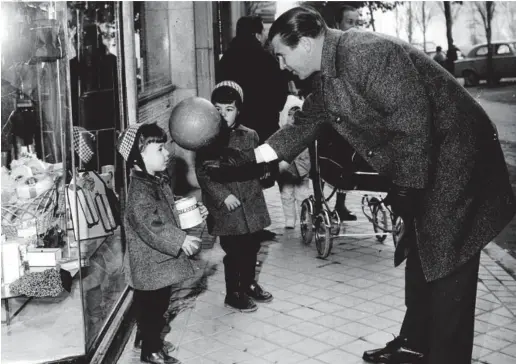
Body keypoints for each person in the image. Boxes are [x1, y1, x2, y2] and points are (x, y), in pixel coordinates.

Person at [206, 7, 516, 364]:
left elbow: (411, 119)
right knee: (421, 254)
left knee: (447, 265)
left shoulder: (364, 52)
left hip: (458, 158)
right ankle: (414, 344)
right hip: (432, 157)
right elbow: (300, 129)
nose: (281, 66)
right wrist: (244, 160)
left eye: (281, 55)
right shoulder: (329, 76)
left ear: (305, 43)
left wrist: (406, 187)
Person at [118, 122, 207, 364]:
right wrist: (181, 239)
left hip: (157, 262)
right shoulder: (139, 191)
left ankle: (145, 338)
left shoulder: (155, 180)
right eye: (159, 149)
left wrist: (191, 210)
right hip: (150, 264)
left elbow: (166, 206)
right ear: (138, 156)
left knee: (153, 307)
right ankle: (151, 350)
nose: (167, 153)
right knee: (154, 309)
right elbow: (152, 226)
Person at [195, 81, 274, 313]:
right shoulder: (206, 137)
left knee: (252, 247)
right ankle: (234, 293)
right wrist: (223, 196)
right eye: (217, 109)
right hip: (227, 210)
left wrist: (264, 170)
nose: (222, 114)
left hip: (250, 203)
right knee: (234, 252)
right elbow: (203, 173)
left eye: (228, 109)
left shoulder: (250, 135)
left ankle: (249, 283)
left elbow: (259, 162)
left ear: (239, 110)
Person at [217, 15, 289, 144]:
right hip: (265, 130)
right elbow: (280, 100)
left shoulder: (225, 60)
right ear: (257, 35)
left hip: (234, 132)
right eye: (263, 32)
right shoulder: (268, 61)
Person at [277, 96, 311, 228]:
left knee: (302, 195)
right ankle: (290, 219)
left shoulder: (306, 133)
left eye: (297, 115)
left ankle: (305, 219)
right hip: (286, 170)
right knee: (286, 195)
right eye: (290, 115)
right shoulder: (281, 133)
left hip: (303, 168)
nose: (293, 118)